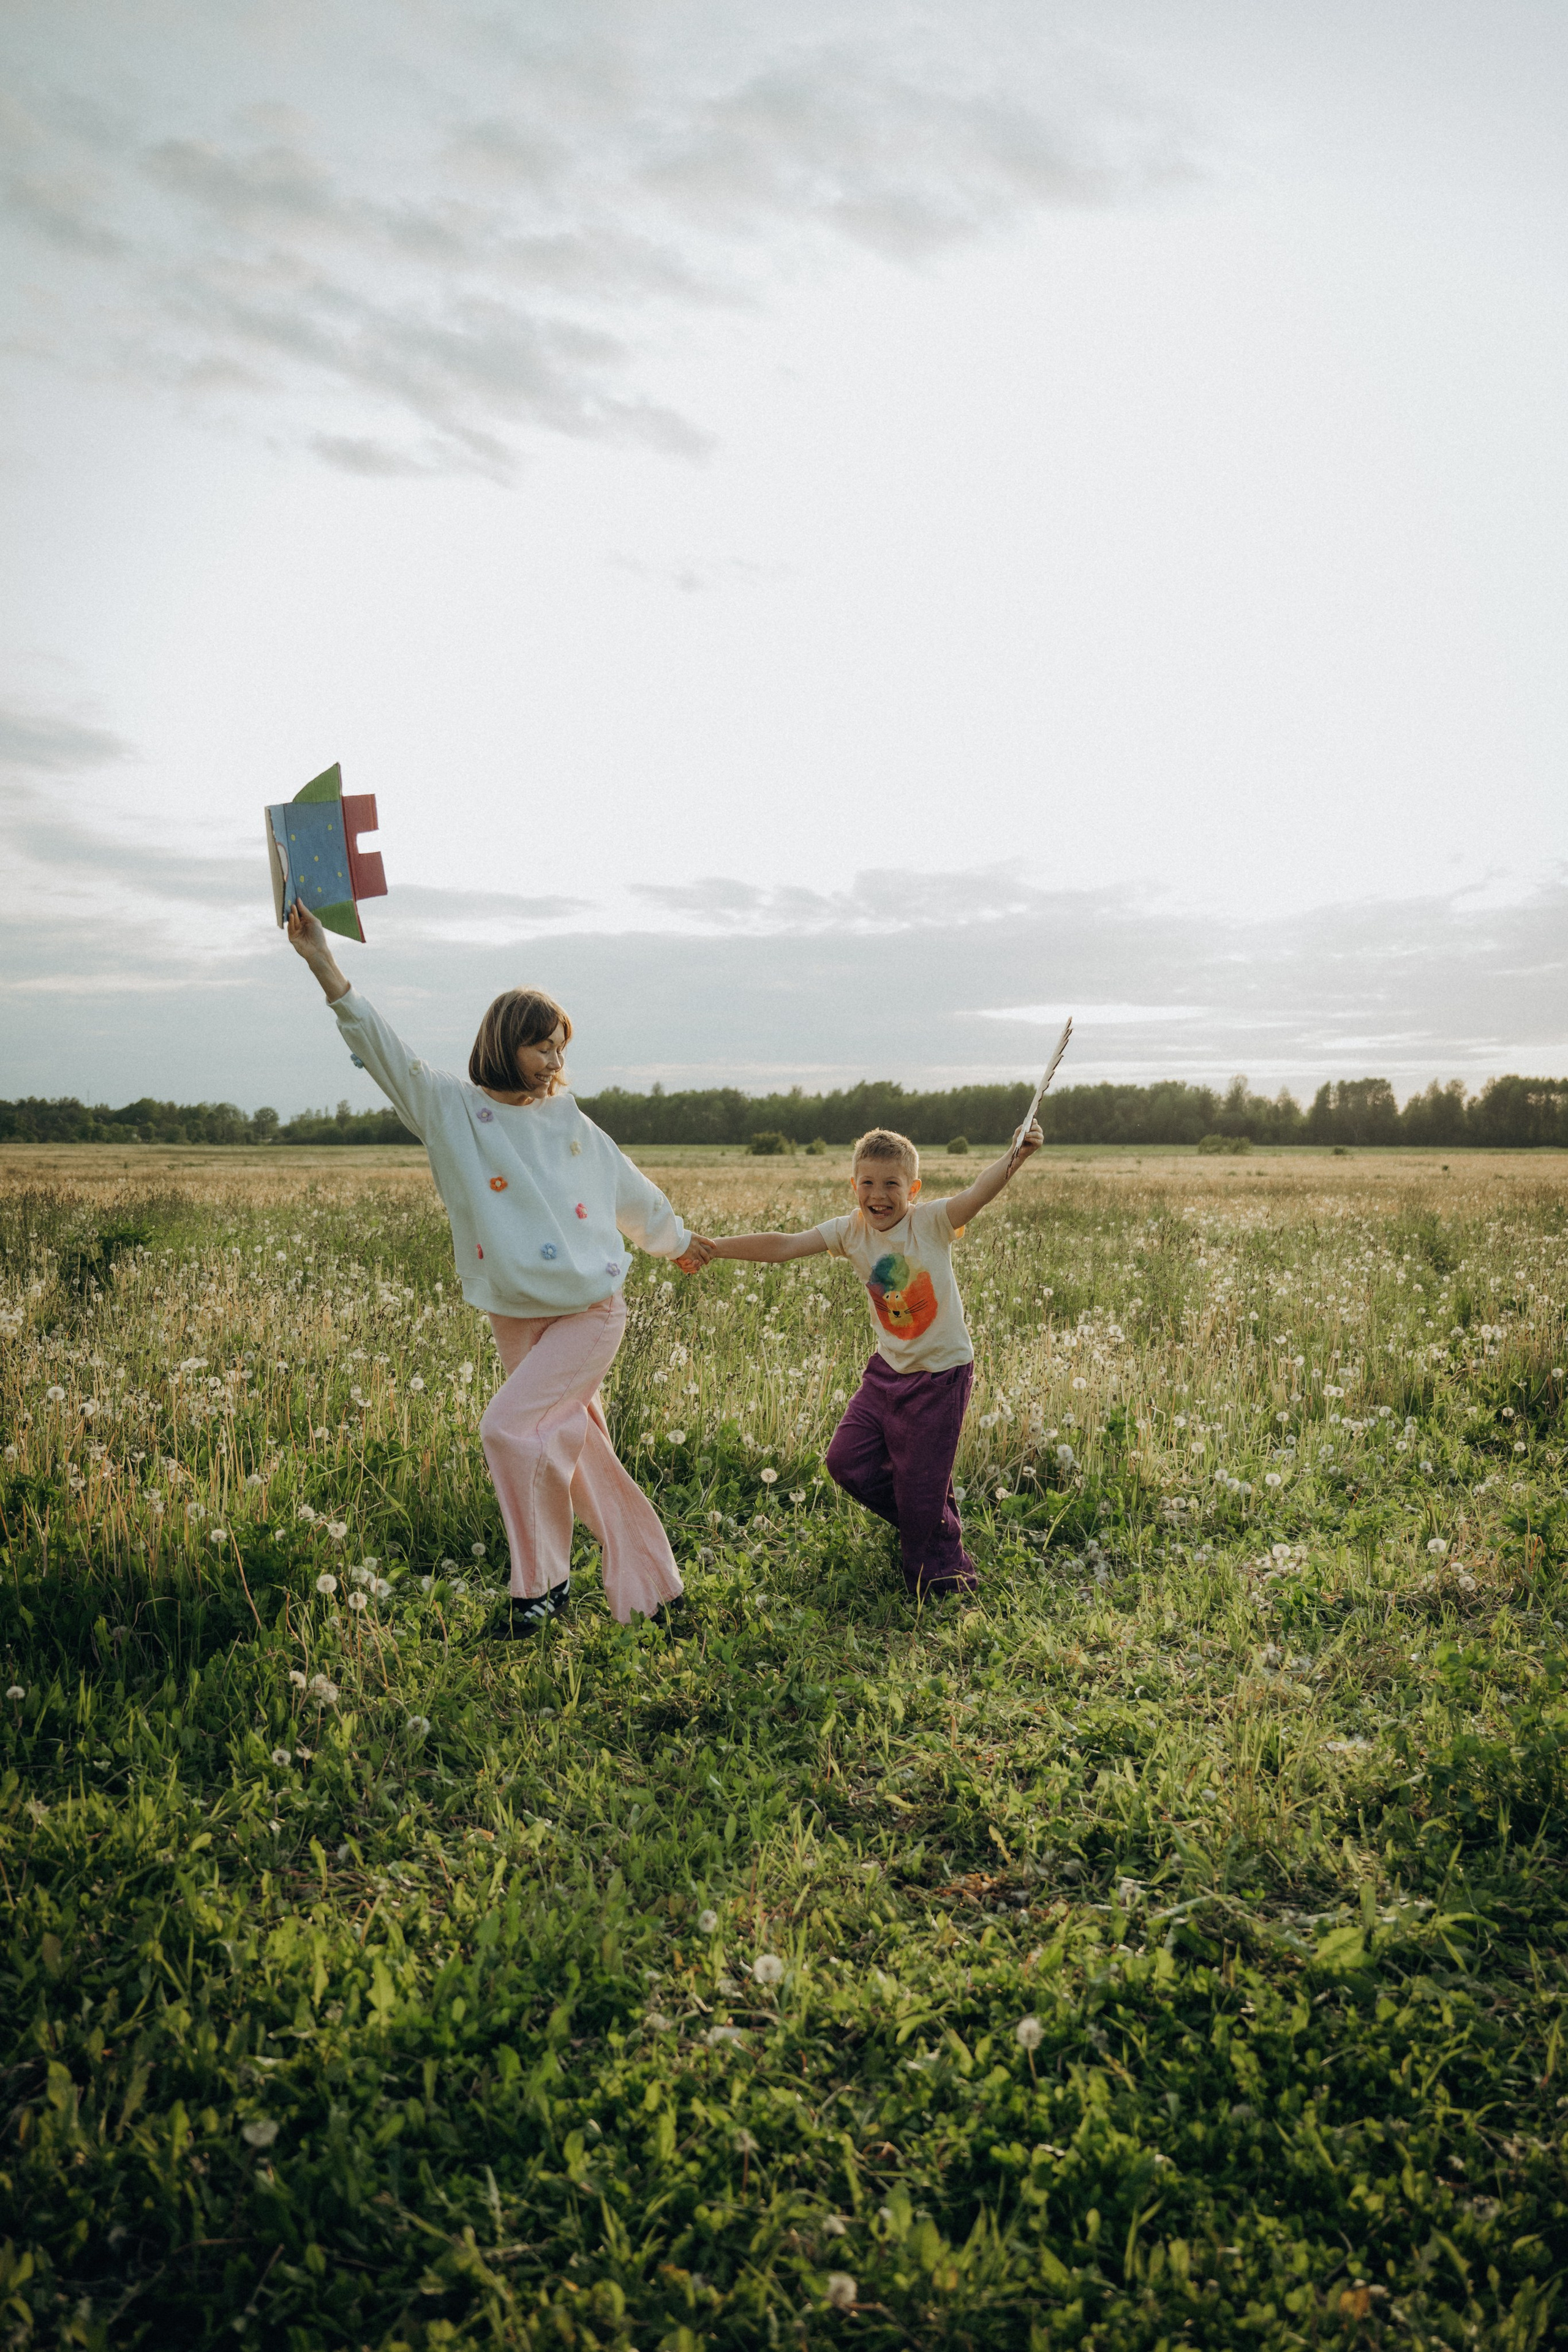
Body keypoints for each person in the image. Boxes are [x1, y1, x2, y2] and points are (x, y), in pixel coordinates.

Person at [286, 900, 696, 1635]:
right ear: (507, 1044)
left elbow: (627, 1190)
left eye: (561, 1050)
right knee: (580, 1450)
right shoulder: (451, 1110)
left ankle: (539, 1590)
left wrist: (679, 1241)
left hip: (589, 1310)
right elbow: (383, 1049)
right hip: (515, 1309)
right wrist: (322, 960)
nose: (555, 1064)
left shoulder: (571, 1120)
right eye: (543, 1048)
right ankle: (656, 1591)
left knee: (507, 1430)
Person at [683, 1120, 1042, 1600]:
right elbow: (785, 1246)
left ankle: (943, 1583)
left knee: (921, 1494)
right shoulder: (850, 1231)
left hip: (940, 1377)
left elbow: (979, 1191)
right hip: (886, 1373)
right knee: (846, 1461)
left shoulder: (931, 1221)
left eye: (892, 1184)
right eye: (868, 1183)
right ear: (854, 1187)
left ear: (912, 1189)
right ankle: (927, 1518)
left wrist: (1016, 1155)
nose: (879, 1194)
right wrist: (714, 1249)